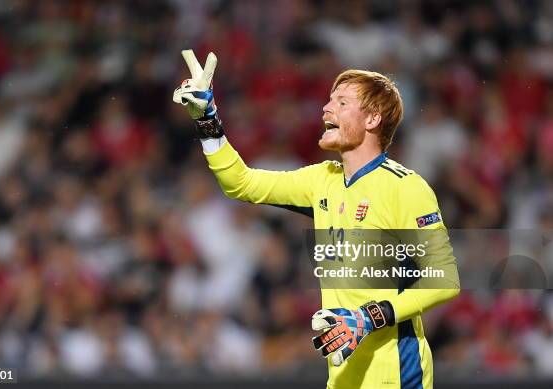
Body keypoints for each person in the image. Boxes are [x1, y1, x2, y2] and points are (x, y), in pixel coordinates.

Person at [172, 50, 460, 389]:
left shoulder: (405, 188)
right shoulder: (321, 179)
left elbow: (444, 280)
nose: (326, 108)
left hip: (396, 373)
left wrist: (367, 318)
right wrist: (207, 118)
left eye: (341, 102)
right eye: (329, 100)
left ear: (372, 119)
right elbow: (241, 183)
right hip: (342, 376)